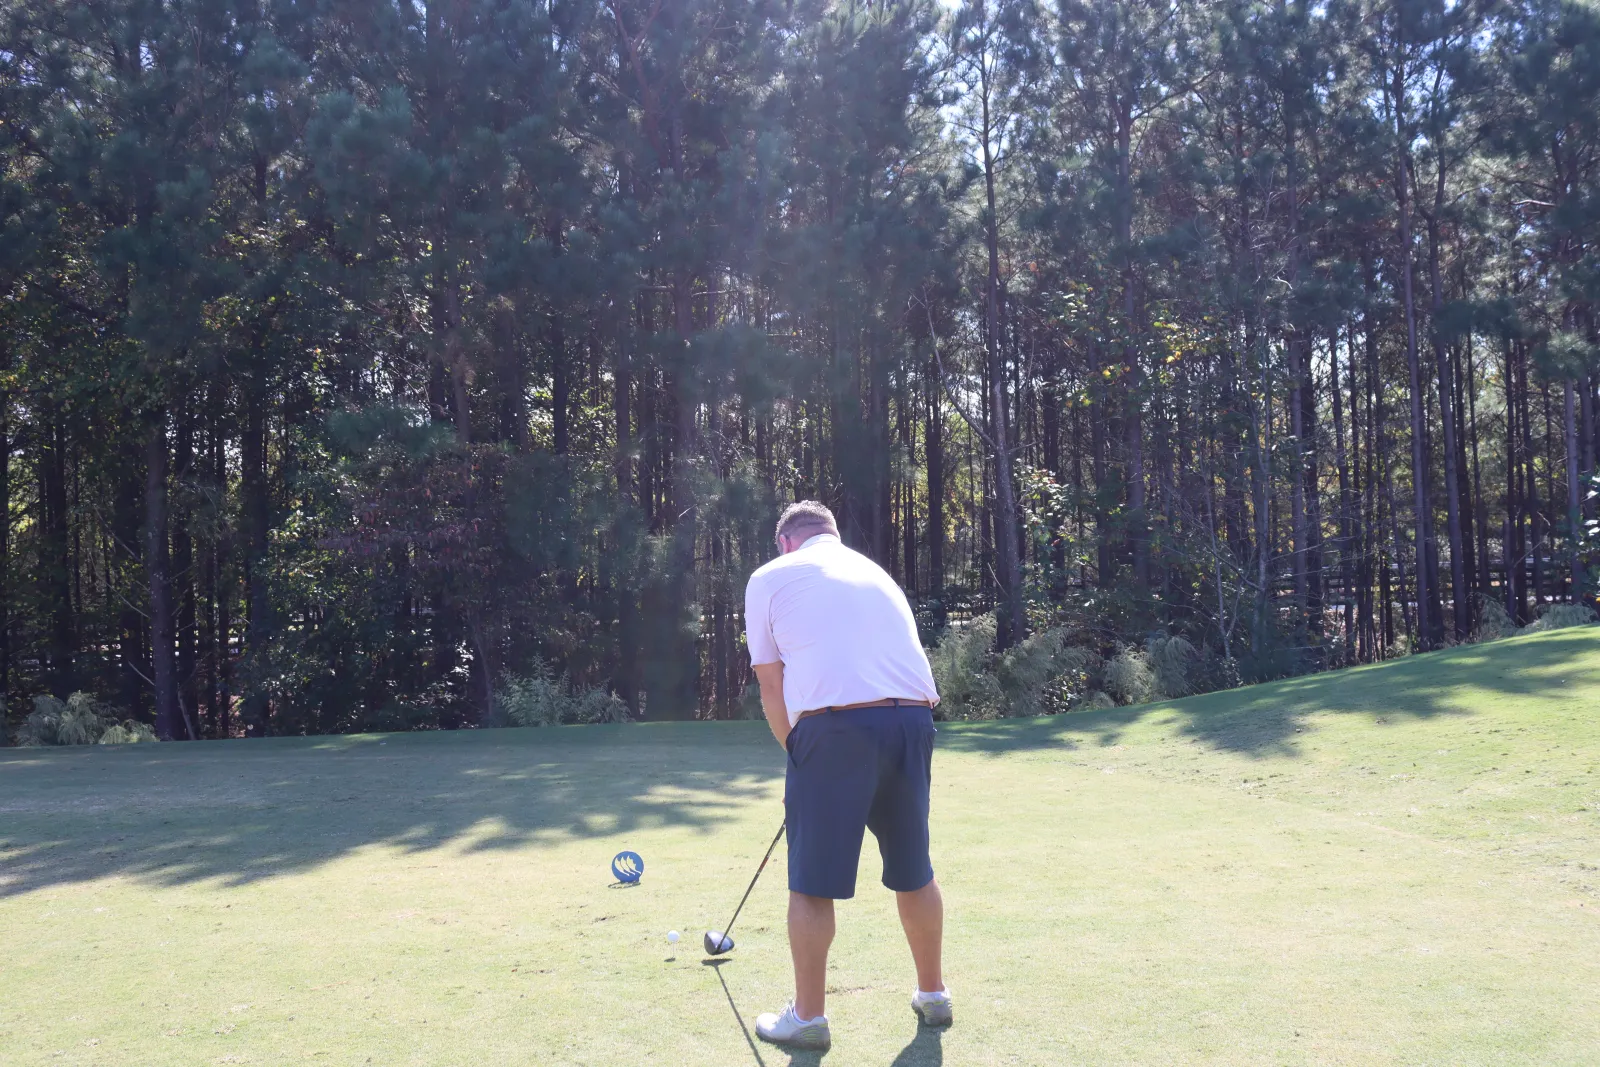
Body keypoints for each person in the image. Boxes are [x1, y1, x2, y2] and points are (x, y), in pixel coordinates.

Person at [743, 500, 951, 1051]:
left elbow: (770, 683)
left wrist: (797, 752)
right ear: (831, 535)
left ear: (785, 541)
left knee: (811, 882)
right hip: (913, 721)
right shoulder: (876, 573)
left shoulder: (770, 576)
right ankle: (933, 995)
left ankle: (808, 1019)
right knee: (914, 868)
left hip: (834, 728)